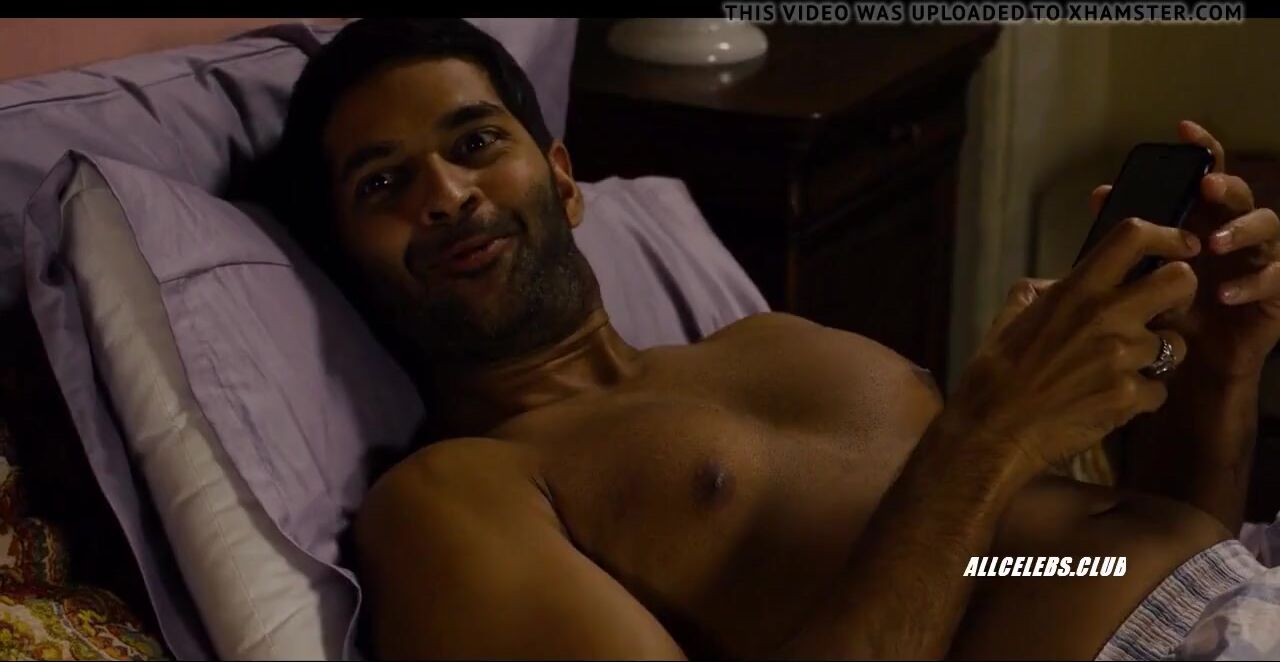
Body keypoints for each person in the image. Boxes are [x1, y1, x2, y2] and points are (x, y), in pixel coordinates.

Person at [272, 18, 1280, 661]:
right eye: (382, 182)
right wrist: (988, 434)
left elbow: (1056, 569)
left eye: (475, 141)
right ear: (344, 260)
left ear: (564, 179)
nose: (446, 193)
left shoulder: (773, 341)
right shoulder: (450, 497)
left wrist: (1221, 375)